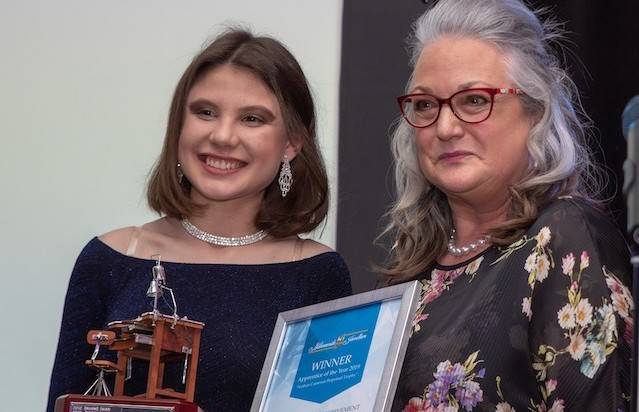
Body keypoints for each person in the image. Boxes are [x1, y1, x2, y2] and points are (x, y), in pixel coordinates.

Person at [46, 29, 351, 412]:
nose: (222, 135)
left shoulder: (318, 275)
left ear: (291, 142)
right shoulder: (109, 259)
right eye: (205, 112)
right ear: (179, 126)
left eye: (252, 119)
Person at [379, 0, 633, 410]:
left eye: (475, 100)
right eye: (426, 104)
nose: (444, 127)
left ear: (535, 111)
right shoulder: (411, 265)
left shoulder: (564, 237)